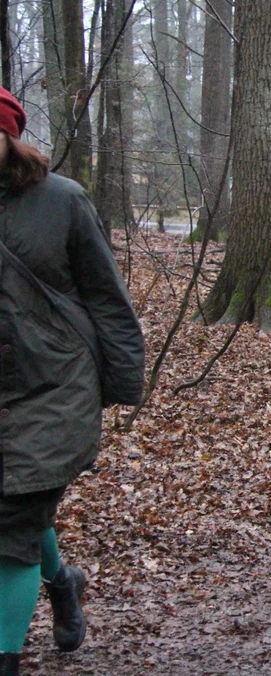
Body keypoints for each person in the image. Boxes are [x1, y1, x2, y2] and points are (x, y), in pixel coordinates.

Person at [0, 87, 145, 676]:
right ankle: (62, 582)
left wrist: (121, 381)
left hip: (55, 385)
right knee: (18, 512)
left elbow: (107, 297)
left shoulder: (63, 200)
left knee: (11, 523)